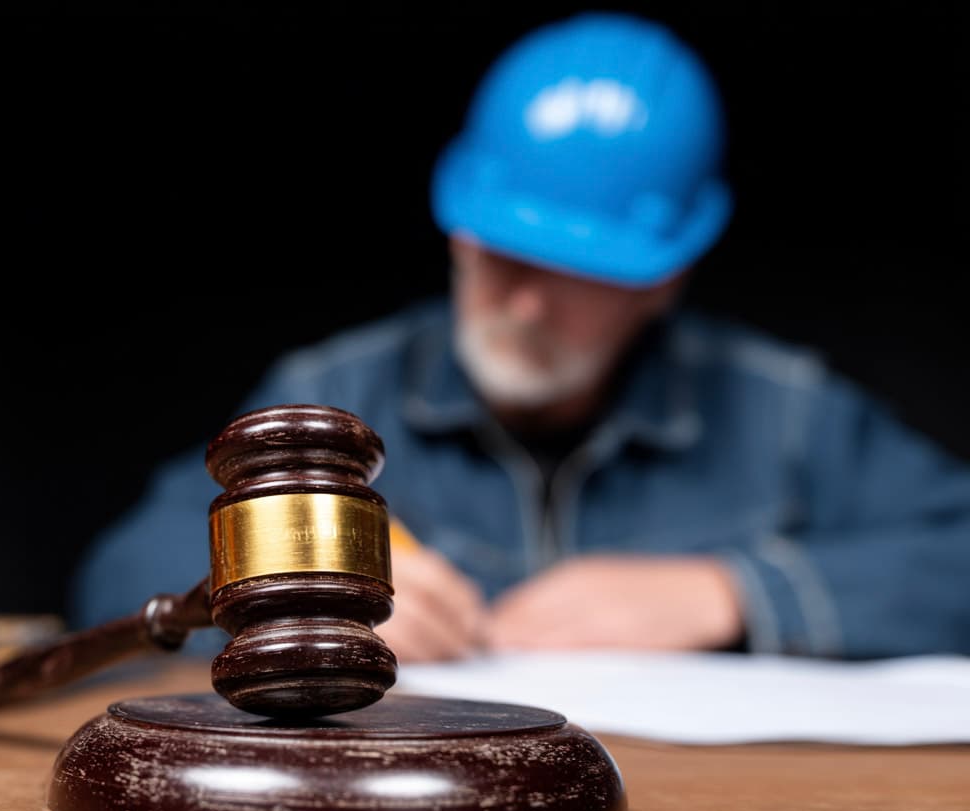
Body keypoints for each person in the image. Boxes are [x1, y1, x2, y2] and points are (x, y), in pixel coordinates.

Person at [69, 11, 970, 663]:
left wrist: (730, 594)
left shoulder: (787, 413)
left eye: (579, 278)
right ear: (460, 234)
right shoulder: (336, 388)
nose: (528, 308)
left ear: (664, 279)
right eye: (506, 258)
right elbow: (122, 569)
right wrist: (287, 586)